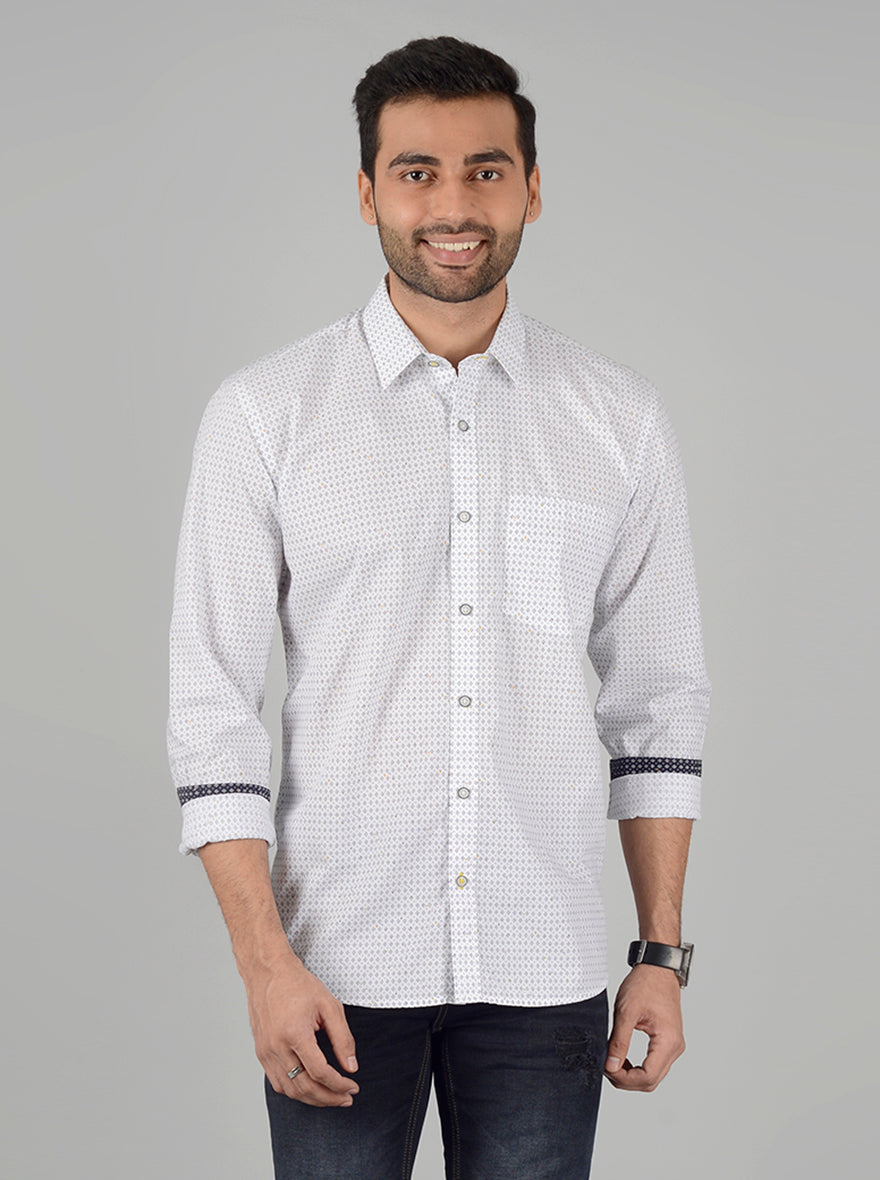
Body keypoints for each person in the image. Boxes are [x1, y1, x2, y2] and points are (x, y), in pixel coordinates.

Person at [166, 34, 711, 1179]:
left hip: (546, 969)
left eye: (485, 170)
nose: (453, 205)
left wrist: (658, 953)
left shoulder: (617, 419)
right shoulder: (265, 415)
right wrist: (264, 965)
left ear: (531, 189)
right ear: (367, 192)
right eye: (417, 172)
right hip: (334, 969)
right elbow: (211, 710)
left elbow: (658, 702)